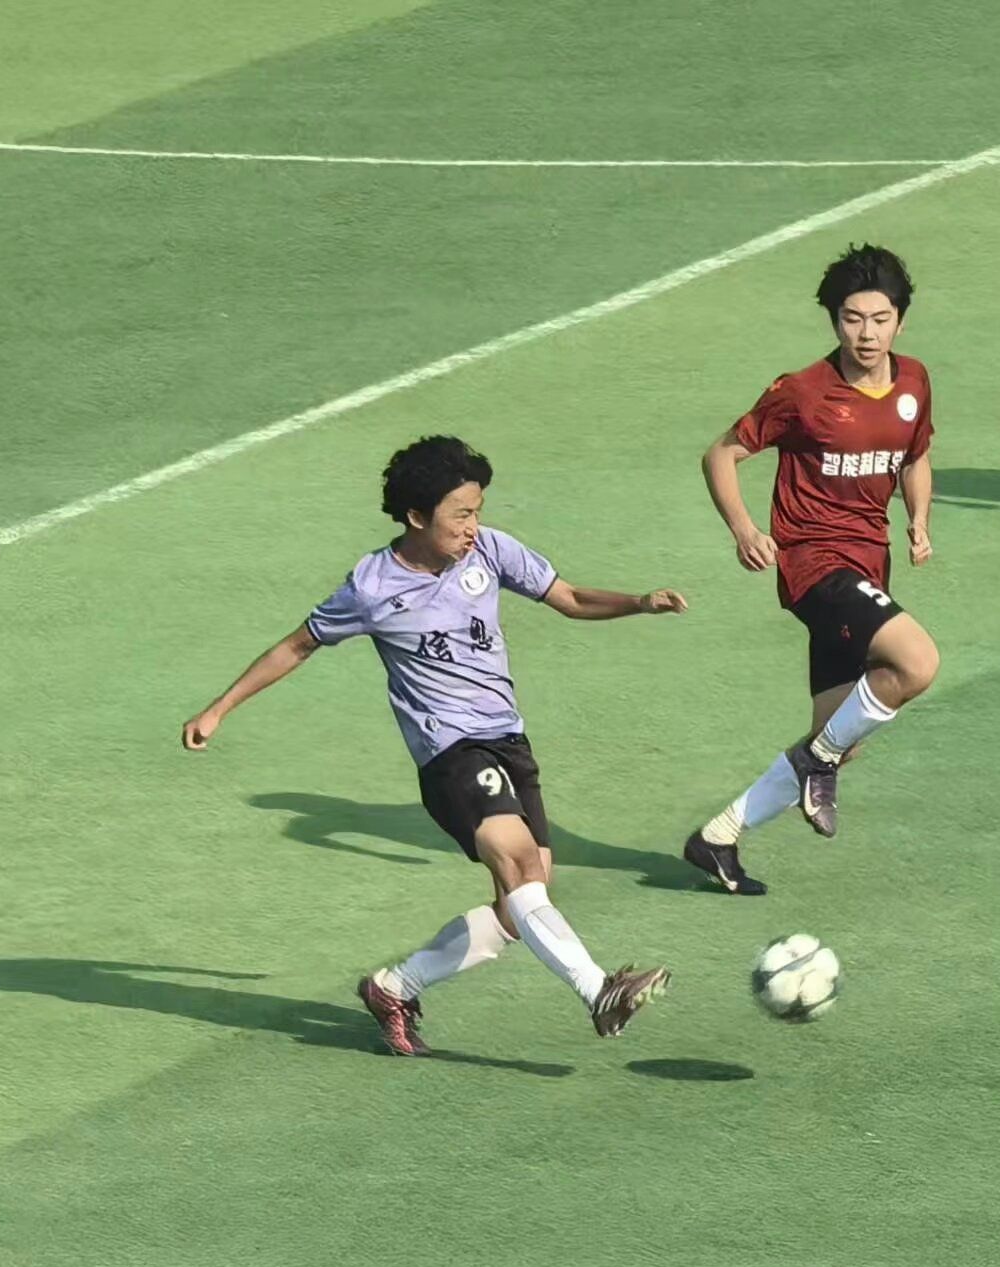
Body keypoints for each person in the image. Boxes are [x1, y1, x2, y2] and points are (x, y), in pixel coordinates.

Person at [182, 436, 683, 1056]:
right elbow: (298, 645)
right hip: (450, 753)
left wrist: (640, 603)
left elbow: (571, 598)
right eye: (461, 515)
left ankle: (394, 987)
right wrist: (219, 709)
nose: (473, 527)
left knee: (520, 907)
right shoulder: (372, 587)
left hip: (508, 741)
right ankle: (598, 990)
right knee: (520, 864)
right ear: (417, 516)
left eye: (477, 511)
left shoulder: (490, 550)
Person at [682, 244, 940, 896]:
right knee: (917, 662)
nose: (867, 334)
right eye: (852, 319)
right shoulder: (802, 392)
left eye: (880, 319)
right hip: (813, 563)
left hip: (870, 562)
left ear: (901, 320)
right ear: (834, 321)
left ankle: (719, 835)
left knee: (844, 732)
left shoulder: (913, 382)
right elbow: (721, 455)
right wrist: (745, 530)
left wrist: (918, 518)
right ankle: (816, 761)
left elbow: (915, 456)